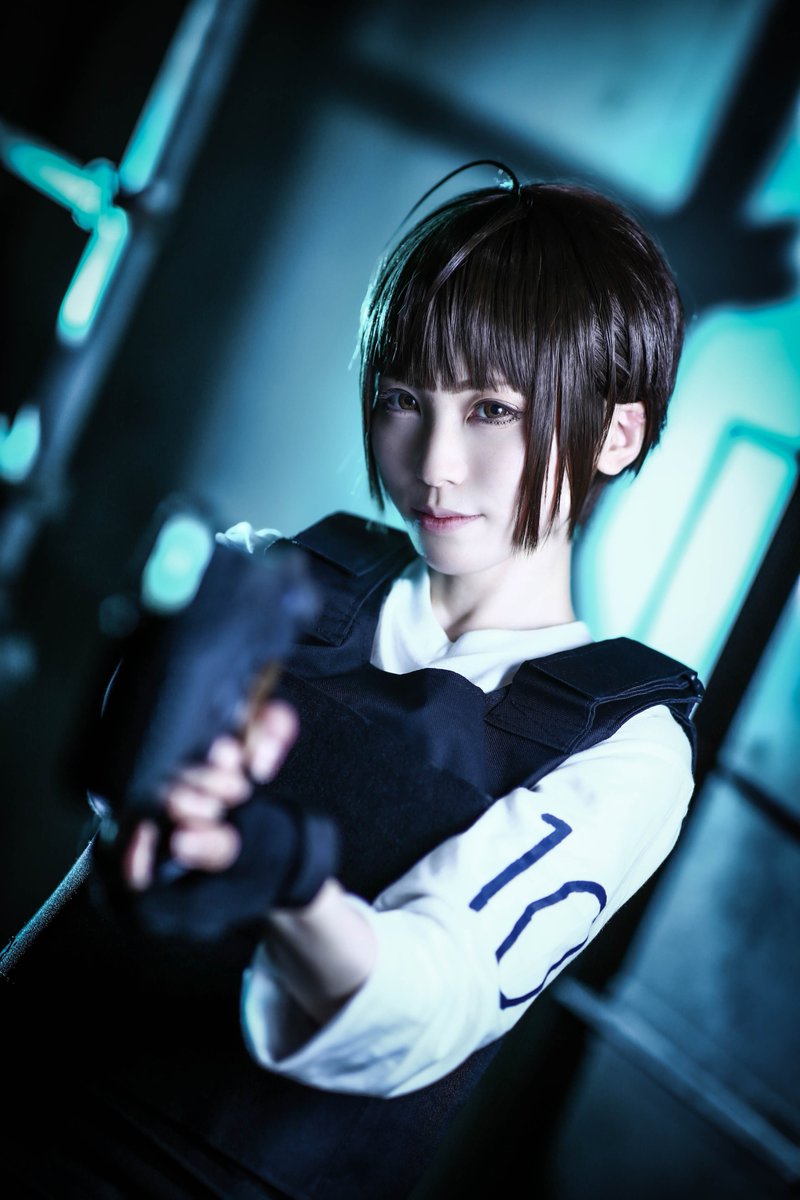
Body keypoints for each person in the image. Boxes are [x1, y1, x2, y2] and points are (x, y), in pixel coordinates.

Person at [1, 163, 703, 1199]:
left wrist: (282, 876)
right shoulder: (262, 576)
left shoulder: (626, 752)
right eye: (404, 400)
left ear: (616, 433)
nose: (435, 462)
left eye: (493, 409)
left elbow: (440, 995)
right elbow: (117, 809)